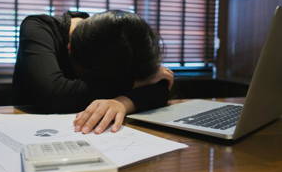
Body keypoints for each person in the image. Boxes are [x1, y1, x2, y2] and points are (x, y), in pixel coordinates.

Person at [12, 10, 174, 134]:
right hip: (30, 128)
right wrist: (133, 84)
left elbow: (161, 86)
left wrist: (123, 102)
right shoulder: (38, 27)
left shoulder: (116, 37)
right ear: (70, 49)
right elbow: (52, 93)